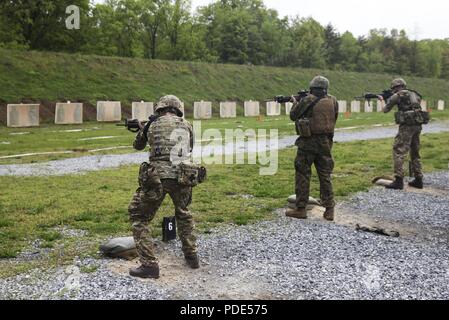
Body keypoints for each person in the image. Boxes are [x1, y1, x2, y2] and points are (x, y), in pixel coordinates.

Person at [128, 95, 199, 279]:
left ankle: (149, 265)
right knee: (184, 214)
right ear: (177, 108)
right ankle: (192, 256)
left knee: (139, 217)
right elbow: (190, 147)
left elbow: (138, 146)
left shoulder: (152, 124)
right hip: (183, 175)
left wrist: (143, 130)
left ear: (159, 108)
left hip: (156, 177)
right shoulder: (187, 124)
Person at [286, 76, 339, 221]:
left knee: (303, 173)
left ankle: (301, 208)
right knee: (325, 175)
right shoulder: (333, 100)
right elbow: (334, 117)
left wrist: (295, 102)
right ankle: (329, 210)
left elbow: (293, 116)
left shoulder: (307, 100)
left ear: (312, 87)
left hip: (308, 142)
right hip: (326, 142)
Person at [380, 78, 425, 190]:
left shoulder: (397, 96)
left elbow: (385, 110)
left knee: (399, 150)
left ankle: (398, 180)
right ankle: (418, 179)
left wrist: (381, 100)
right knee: (415, 151)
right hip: (418, 124)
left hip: (407, 126)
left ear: (395, 87)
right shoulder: (414, 94)